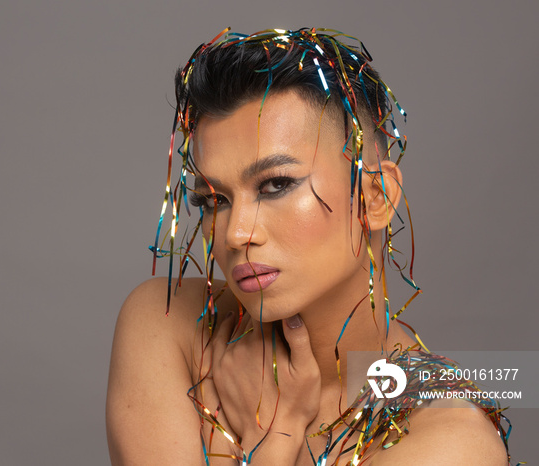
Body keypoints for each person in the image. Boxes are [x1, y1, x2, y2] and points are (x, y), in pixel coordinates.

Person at [106, 28, 513, 465]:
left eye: (276, 184)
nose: (234, 233)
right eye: (213, 200)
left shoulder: (450, 441)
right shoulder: (168, 325)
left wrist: (272, 439)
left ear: (374, 197)